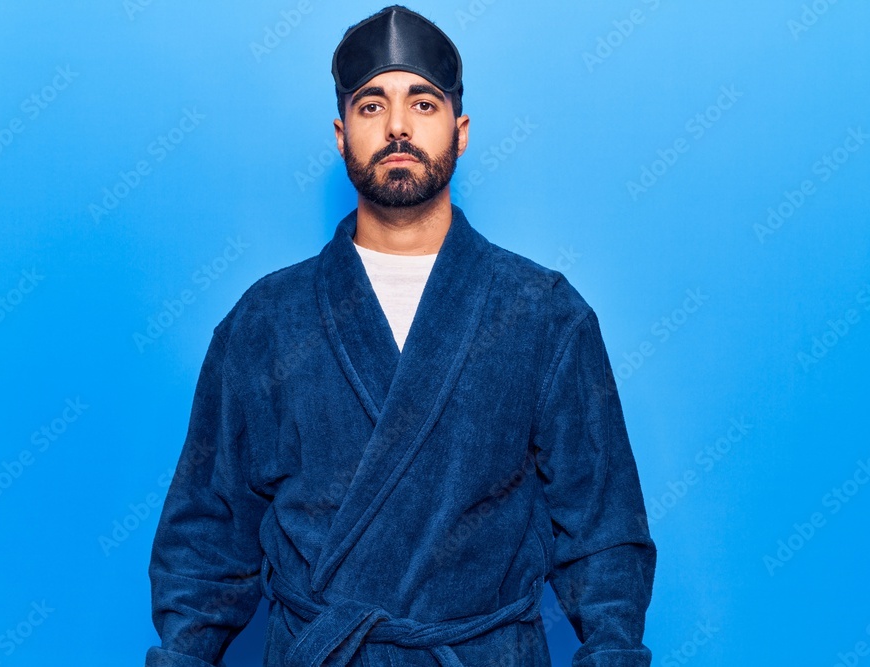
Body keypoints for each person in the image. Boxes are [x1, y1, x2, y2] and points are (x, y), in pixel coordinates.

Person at [145, 5, 657, 666]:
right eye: (370, 106)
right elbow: (206, 533)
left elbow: (606, 530)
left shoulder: (543, 314)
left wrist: (613, 653)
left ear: (460, 129)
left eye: (422, 103)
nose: (396, 127)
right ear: (340, 134)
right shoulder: (267, 320)